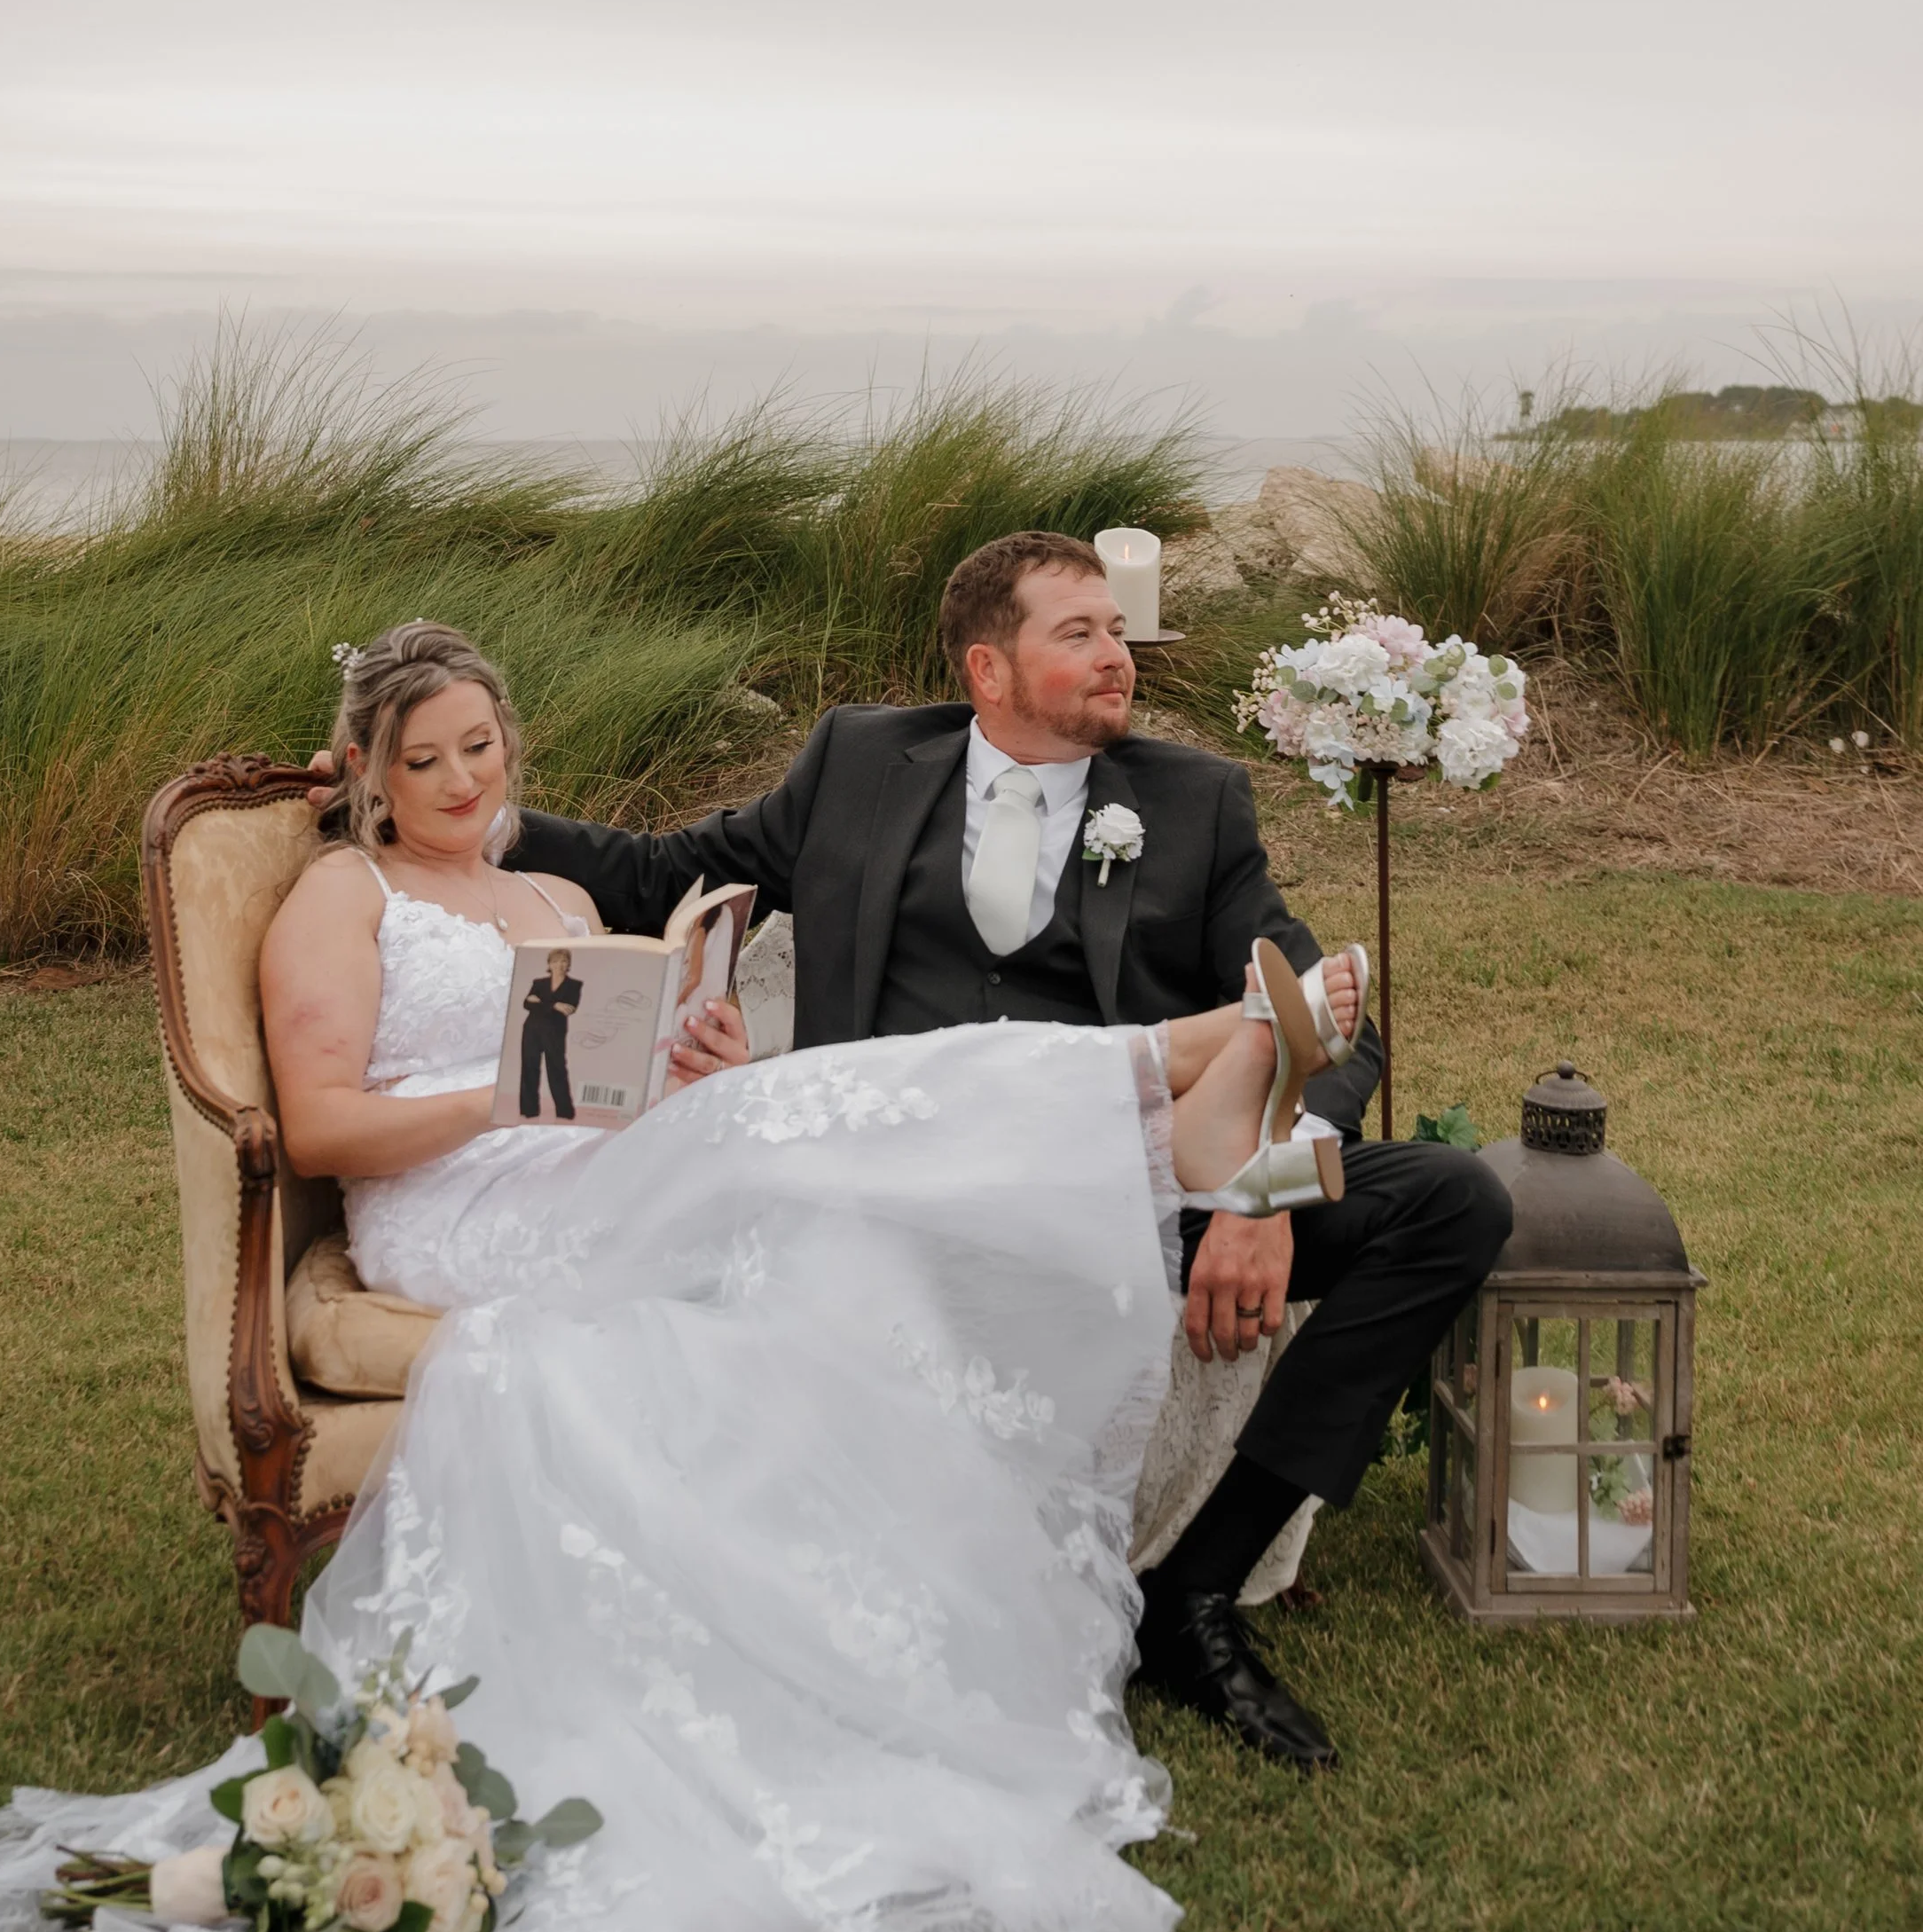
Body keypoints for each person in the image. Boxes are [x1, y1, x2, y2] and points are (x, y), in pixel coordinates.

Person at [0, 616, 1372, 1932]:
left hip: (598, 1170)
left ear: (514, 754)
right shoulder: (338, 900)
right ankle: (1175, 1080)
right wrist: (518, 1091)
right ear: (363, 772)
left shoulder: (563, 903)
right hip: (462, 1205)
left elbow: (637, 1082)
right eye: (419, 760)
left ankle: (1166, 1093)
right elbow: (320, 1124)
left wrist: (691, 1062)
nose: (454, 782)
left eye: (480, 753)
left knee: (804, 1156)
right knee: (811, 1132)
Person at [502, 531, 1512, 1772]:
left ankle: (1192, 1597)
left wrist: (1271, 1183)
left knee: (1449, 1200)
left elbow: (1312, 1007)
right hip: (898, 1194)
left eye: (1117, 630)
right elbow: (662, 869)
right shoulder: (861, 763)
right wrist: (468, 810)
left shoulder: (1193, 799)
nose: (1116, 656)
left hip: (1127, 1187)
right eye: (1077, 632)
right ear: (989, 666)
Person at [516, 946, 582, 1119]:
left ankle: (565, 1112)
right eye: (555, 961)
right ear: (549, 964)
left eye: (563, 961)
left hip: (555, 1033)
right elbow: (527, 1004)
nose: (559, 964)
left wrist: (541, 1003)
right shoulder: (539, 983)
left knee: (557, 1070)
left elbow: (570, 1008)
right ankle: (529, 1111)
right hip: (531, 1030)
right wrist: (554, 1005)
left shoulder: (574, 985)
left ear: (568, 964)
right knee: (529, 1069)